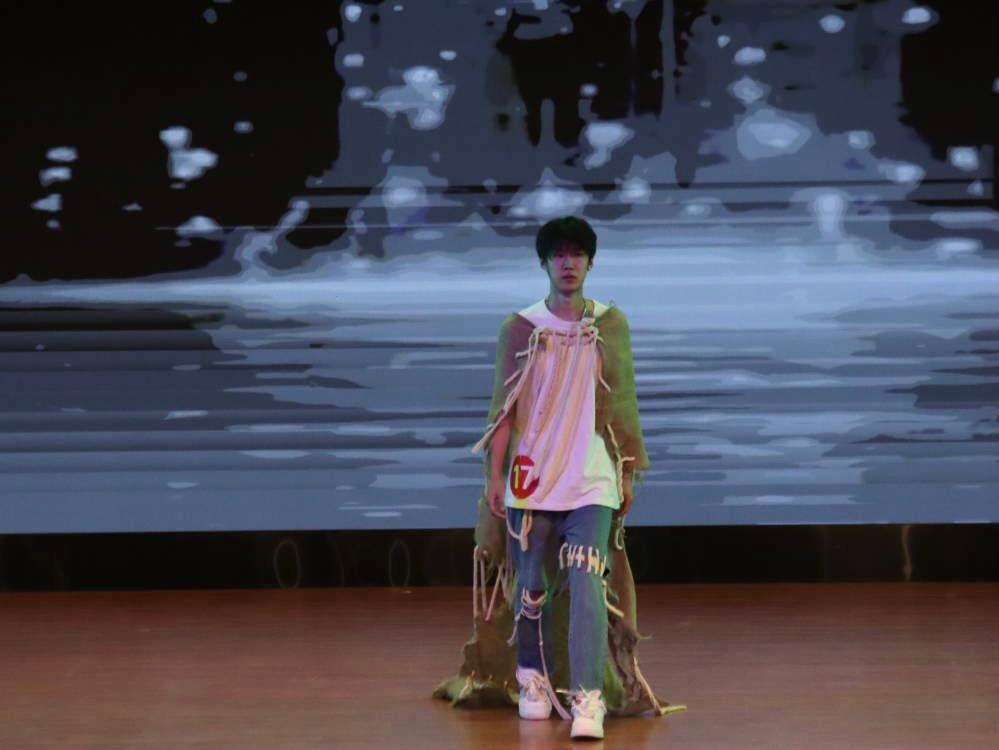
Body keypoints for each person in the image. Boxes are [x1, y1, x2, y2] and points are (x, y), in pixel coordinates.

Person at [433, 216, 684, 737]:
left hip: (591, 475)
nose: (569, 263)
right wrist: (493, 477)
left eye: (578, 254)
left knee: (588, 578)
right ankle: (532, 678)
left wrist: (626, 471)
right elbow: (504, 410)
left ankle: (588, 698)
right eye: (559, 254)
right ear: (545, 263)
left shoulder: (610, 325)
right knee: (531, 584)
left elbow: (623, 405)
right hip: (533, 477)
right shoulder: (521, 327)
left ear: (590, 262)